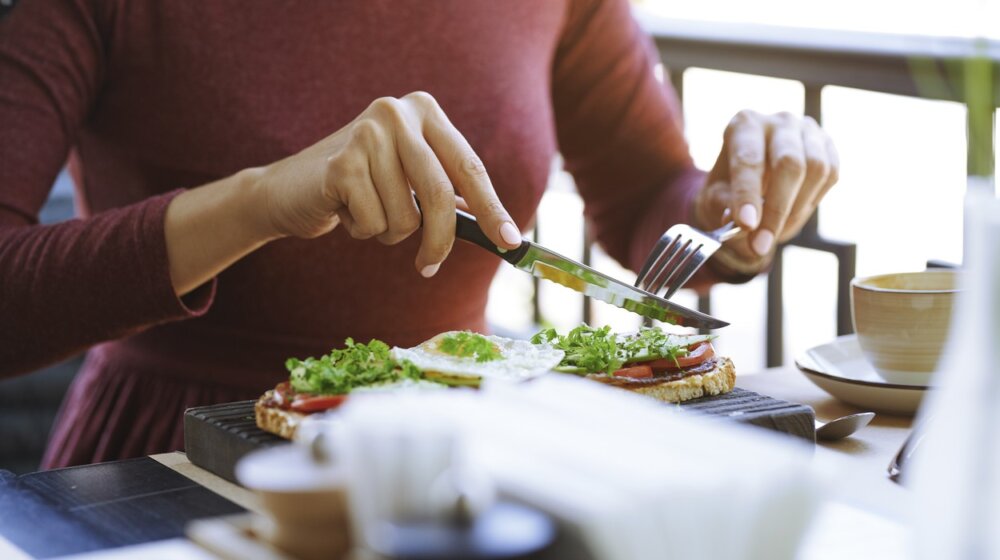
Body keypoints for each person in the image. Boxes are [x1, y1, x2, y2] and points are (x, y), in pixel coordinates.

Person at [0, 0, 838, 468]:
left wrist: (732, 207)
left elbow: (651, 191)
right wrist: (260, 200)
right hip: (180, 465)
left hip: (468, 459)